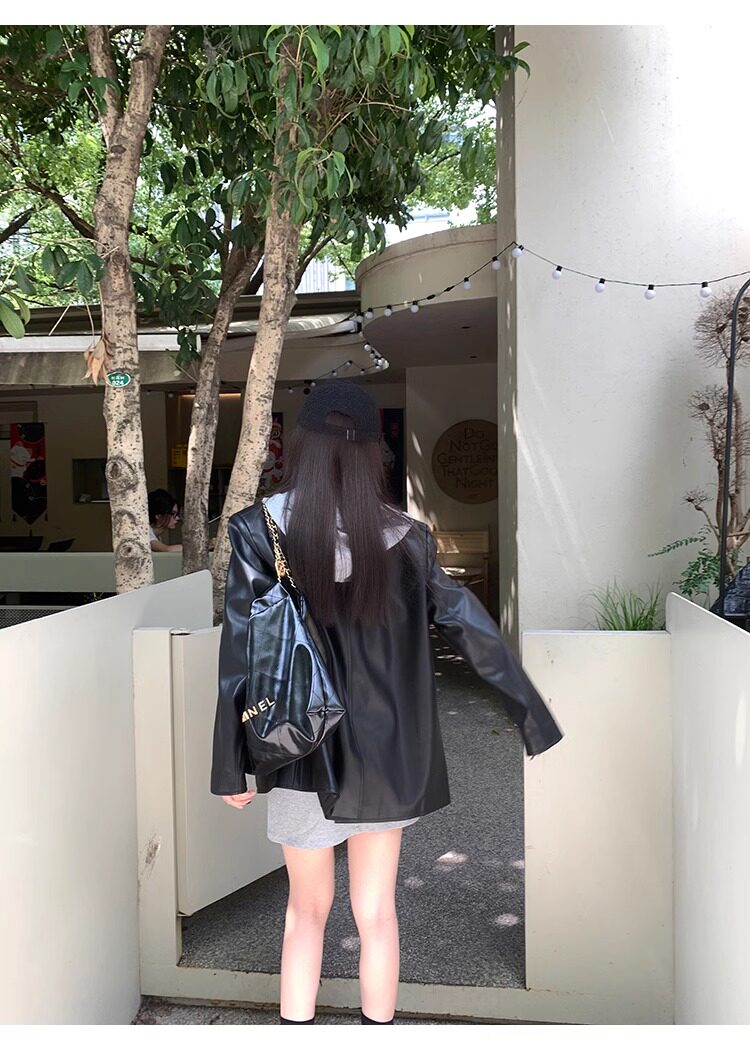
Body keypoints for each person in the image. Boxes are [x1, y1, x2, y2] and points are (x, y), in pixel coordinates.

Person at [210, 381, 564, 1025]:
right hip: (387, 758)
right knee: (376, 914)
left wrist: (231, 765)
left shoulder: (258, 531)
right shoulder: (409, 538)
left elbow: (241, 649)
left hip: (301, 752)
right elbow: (470, 625)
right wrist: (530, 715)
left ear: (304, 446)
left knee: (304, 912)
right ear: (374, 453)